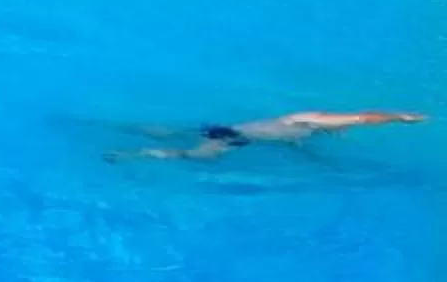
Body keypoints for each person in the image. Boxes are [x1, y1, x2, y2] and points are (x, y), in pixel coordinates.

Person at [113, 110, 424, 161]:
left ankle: (123, 126)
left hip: (233, 130)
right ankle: (135, 154)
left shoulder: (303, 125)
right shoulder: (306, 121)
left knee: (175, 133)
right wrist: (399, 117)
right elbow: (362, 117)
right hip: (233, 138)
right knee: (194, 157)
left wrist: (314, 160)